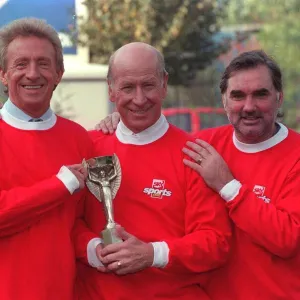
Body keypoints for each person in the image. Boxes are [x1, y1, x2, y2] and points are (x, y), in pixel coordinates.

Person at [99, 50, 300, 300]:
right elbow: (151, 139)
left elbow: (287, 239)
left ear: (279, 98)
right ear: (224, 101)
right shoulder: (202, 145)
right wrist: (122, 120)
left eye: (261, 94)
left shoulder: (295, 155)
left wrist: (228, 186)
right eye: (238, 95)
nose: (249, 106)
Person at [73, 42, 232, 300]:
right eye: (127, 87)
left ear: (164, 84)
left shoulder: (193, 155)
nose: (139, 99)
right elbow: (65, 223)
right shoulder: (87, 147)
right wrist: (92, 248)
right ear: (111, 89)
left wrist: (153, 254)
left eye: (148, 85)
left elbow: (215, 243)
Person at [0, 18, 93, 300]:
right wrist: (58, 185)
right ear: (3, 74)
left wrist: (94, 247)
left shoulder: (79, 138)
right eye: (20, 64)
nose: (32, 73)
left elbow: (76, 223)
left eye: (43, 63)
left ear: (58, 73)